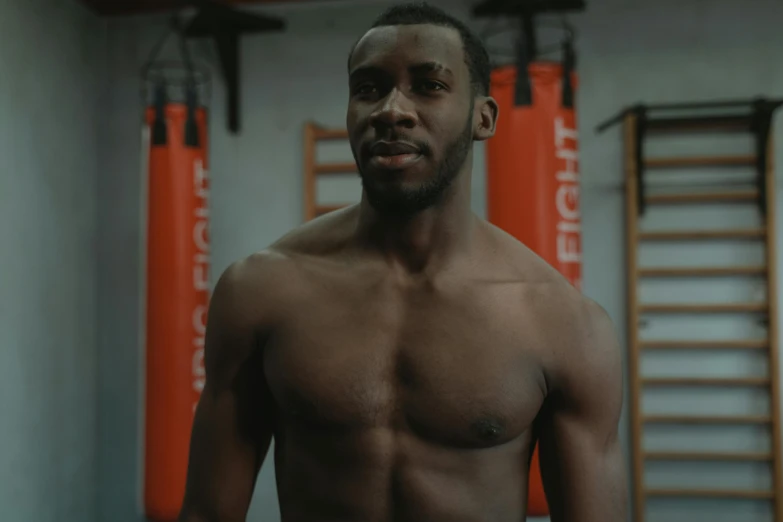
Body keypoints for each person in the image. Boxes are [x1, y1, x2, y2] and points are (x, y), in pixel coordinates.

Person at [177, 2, 627, 521]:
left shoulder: (562, 323)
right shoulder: (260, 291)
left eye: (429, 85)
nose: (391, 108)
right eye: (367, 88)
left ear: (484, 117)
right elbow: (208, 513)